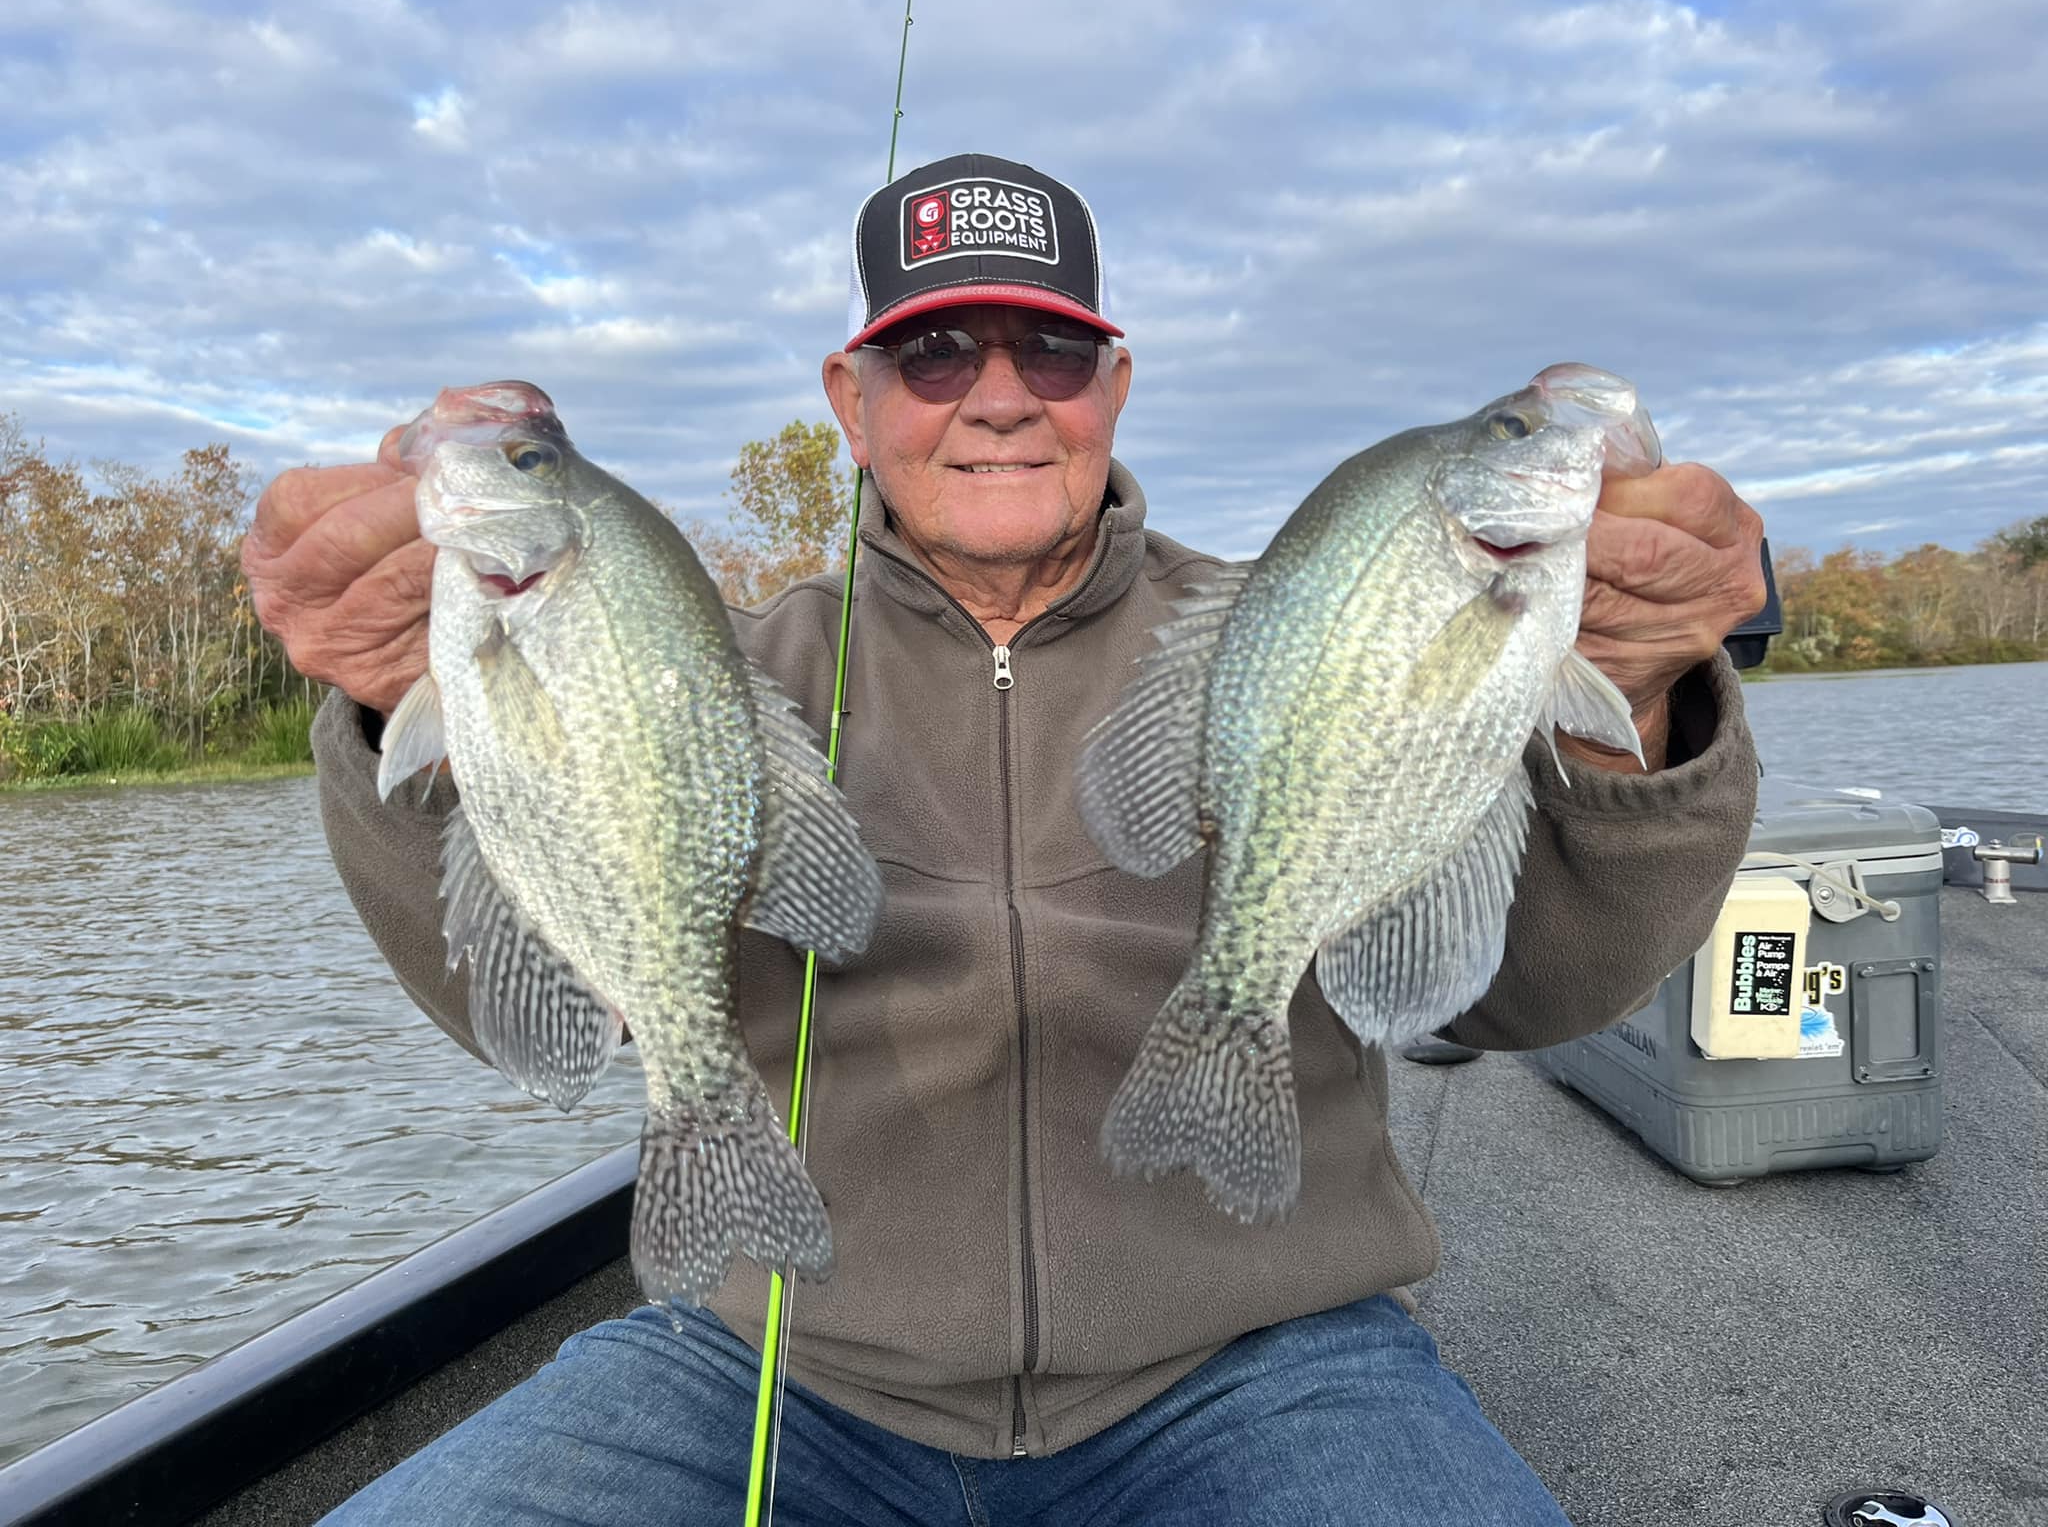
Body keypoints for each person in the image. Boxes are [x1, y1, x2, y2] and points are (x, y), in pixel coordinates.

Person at [243, 153, 1766, 1525]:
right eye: (929, 350)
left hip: (1263, 1358)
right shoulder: (694, 669)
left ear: (1112, 383)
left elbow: (1526, 998)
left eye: (1051, 347)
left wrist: (1622, 703)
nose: (996, 393)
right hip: (776, 1359)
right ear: (852, 396)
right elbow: (546, 1008)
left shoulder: (1303, 641)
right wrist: (396, 715)